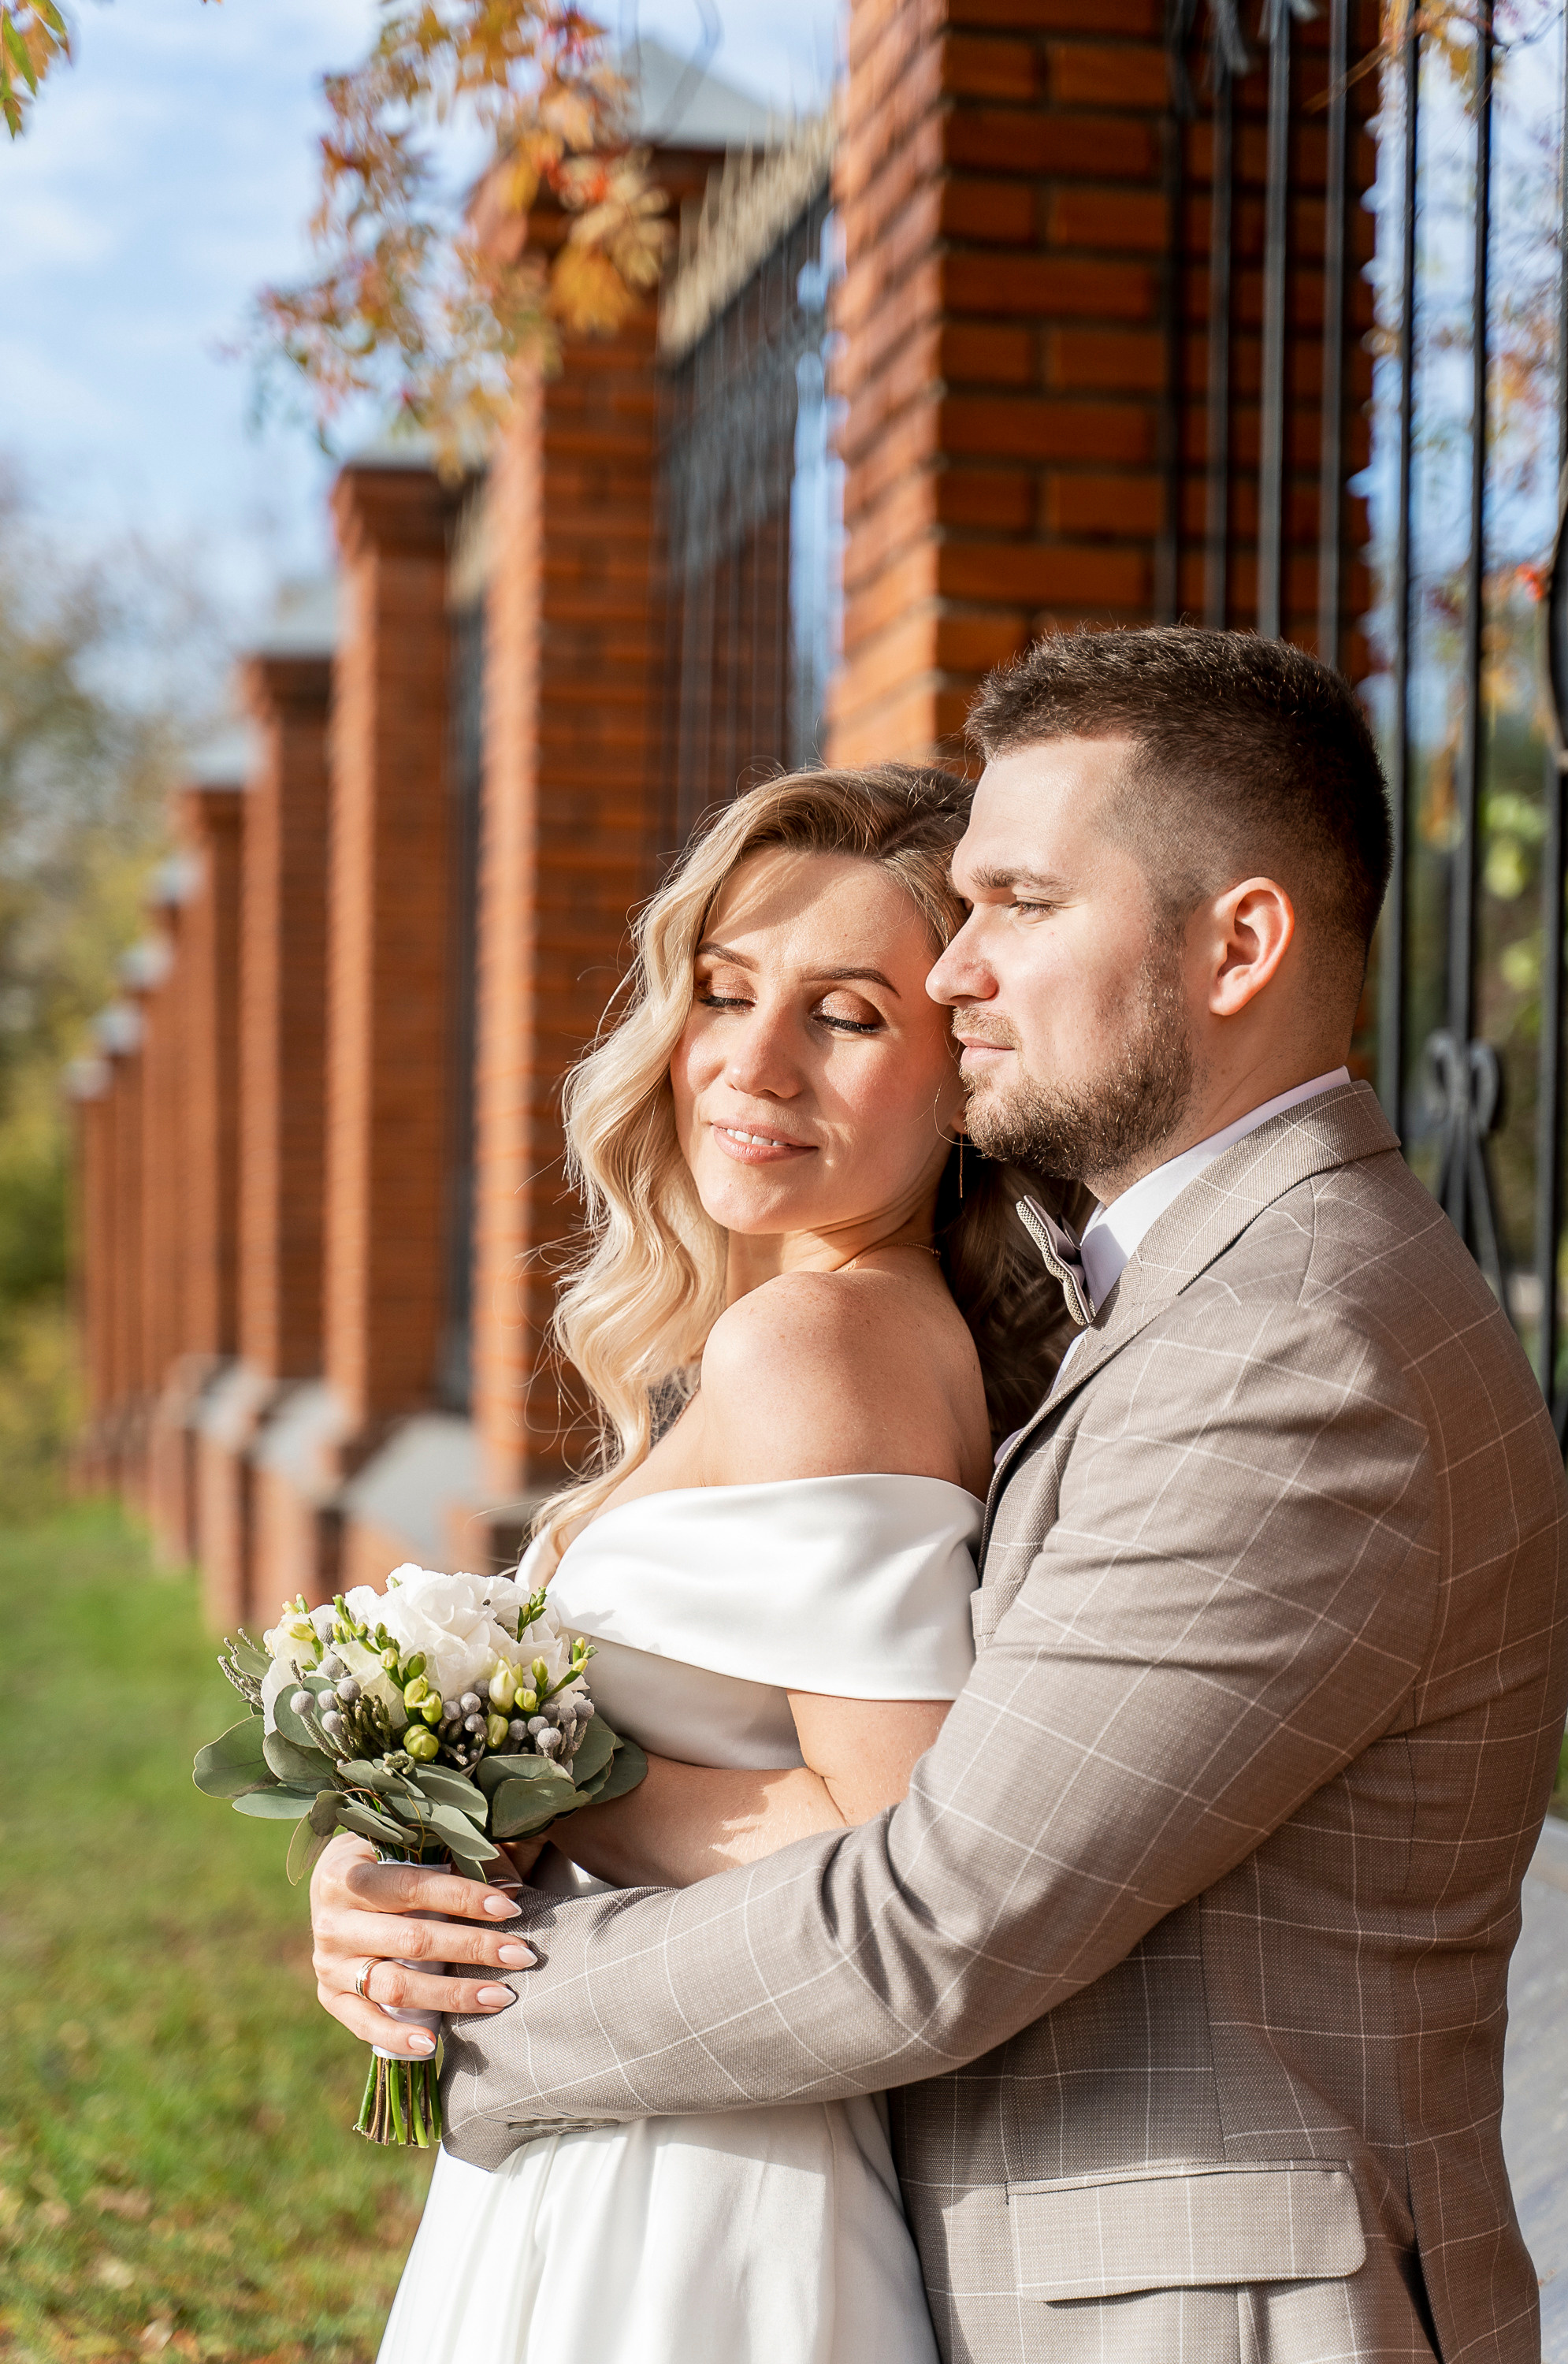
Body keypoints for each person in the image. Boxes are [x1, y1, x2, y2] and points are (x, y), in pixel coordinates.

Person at [314, 627, 1568, 2364]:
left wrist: (475, 2015)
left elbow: (931, 1915)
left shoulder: (1298, 1345)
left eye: (1019, 908)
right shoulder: (1166, 1292)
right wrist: (428, 1857)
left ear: (1241, 944)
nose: (959, 969)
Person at [312, 762, 1076, 2364]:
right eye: (725, 993)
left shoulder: (822, 1343)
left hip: (703, 2201)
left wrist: (529, 1773)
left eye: (846, 1016)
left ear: (960, 1071)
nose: (748, 1063)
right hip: (634, 2128)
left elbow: (901, 1855)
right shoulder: (786, 1329)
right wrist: (394, 1868)